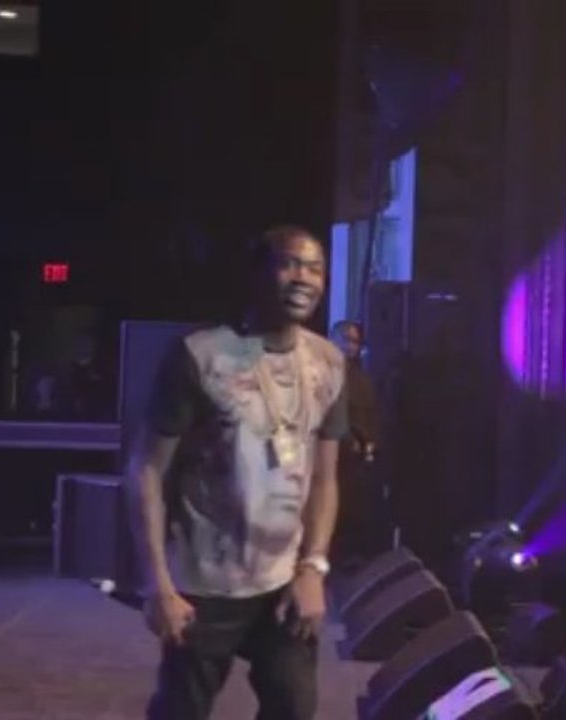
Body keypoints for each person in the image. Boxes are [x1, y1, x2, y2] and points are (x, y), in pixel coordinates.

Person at [125, 224, 347, 720]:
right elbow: (146, 470)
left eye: (315, 268)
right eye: (289, 264)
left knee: (294, 707)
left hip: (284, 580)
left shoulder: (329, 363)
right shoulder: (201, 356)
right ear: (257, 274)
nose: (304, 278)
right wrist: (157, 585)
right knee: (181, 711)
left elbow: (325, 478)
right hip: (204, 583)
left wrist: (314, 567)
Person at [329, 319, 385, 566]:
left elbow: (373, 414)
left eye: (355, 342)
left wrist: (371, 441)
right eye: (346, 340)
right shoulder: (323, 375)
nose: (351, 346)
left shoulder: (363, 379)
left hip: (360, 462)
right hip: (333, 457)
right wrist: (348, 440)